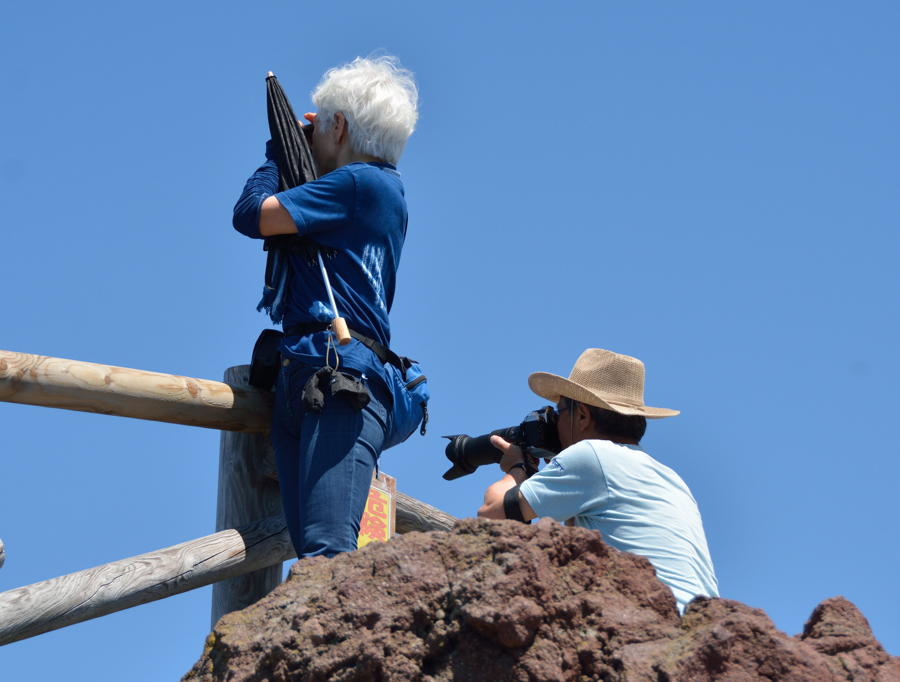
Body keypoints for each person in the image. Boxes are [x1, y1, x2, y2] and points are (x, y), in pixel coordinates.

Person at [232, 56, 419, 559]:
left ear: (337, 125)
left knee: (327, 553)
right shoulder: (374, 189)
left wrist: (279, 149)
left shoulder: (360, 183)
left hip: (337, 378)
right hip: (316, 371)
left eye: (321, 122)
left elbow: (252, 214)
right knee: (314, 552)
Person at [478, 348, 719, 613]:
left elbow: (491, 515)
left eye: (560, 411)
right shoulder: (671, 479)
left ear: (582, 416)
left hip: (654, 620)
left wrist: (518, 466)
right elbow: (580, 547)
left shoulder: (593, 455)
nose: (555, 421)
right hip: (698, 628)